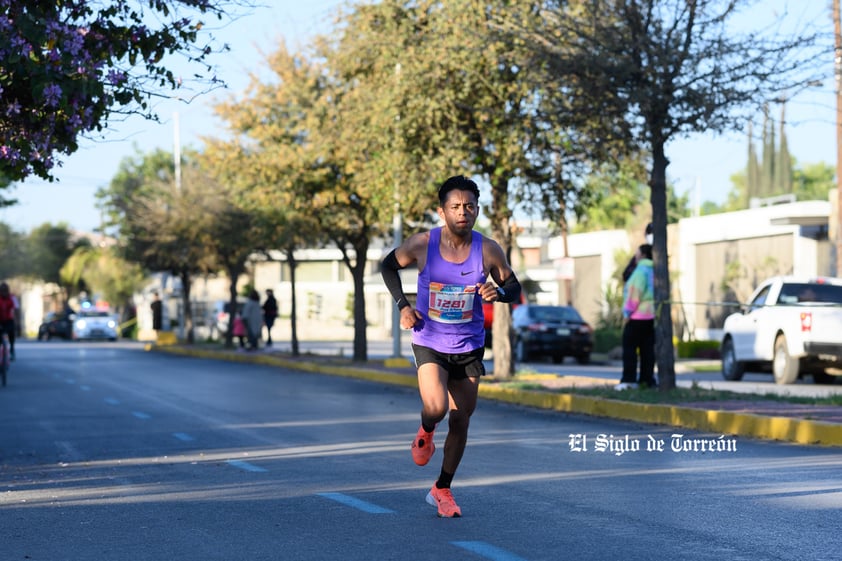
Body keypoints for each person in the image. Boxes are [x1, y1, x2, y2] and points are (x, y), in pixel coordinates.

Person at [380, 175, 522, 518]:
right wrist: (403, 306)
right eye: (456, 206)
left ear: (477, 210)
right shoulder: (422, 244)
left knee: (461, 421)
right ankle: (426, 430)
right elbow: (387, 265)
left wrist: (498, 293)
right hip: (429, 338)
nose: (463, 212)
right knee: (437, 407)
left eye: (470, 206)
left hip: (469, 343)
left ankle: (442, 488)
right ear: (442, 211)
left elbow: (514, 287)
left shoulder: (487, 249)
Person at [616, 244, 656, 390]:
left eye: (637, 253)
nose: (635, 255)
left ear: (643, 254)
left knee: (630, 350)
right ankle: (647, 380)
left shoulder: (640, 271)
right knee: (647, 352)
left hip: (637, 317)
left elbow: (634, 293)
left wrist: (627, 313)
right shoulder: (655, 271)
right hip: (651, 317)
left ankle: (628, 381)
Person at [0, 282, 16, 360]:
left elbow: (16, 308)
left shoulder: (12, 297)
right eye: (2, 291)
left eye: (5, 290)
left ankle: (12, 349)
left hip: (9, 319)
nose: (4, 292)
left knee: (11, 333)